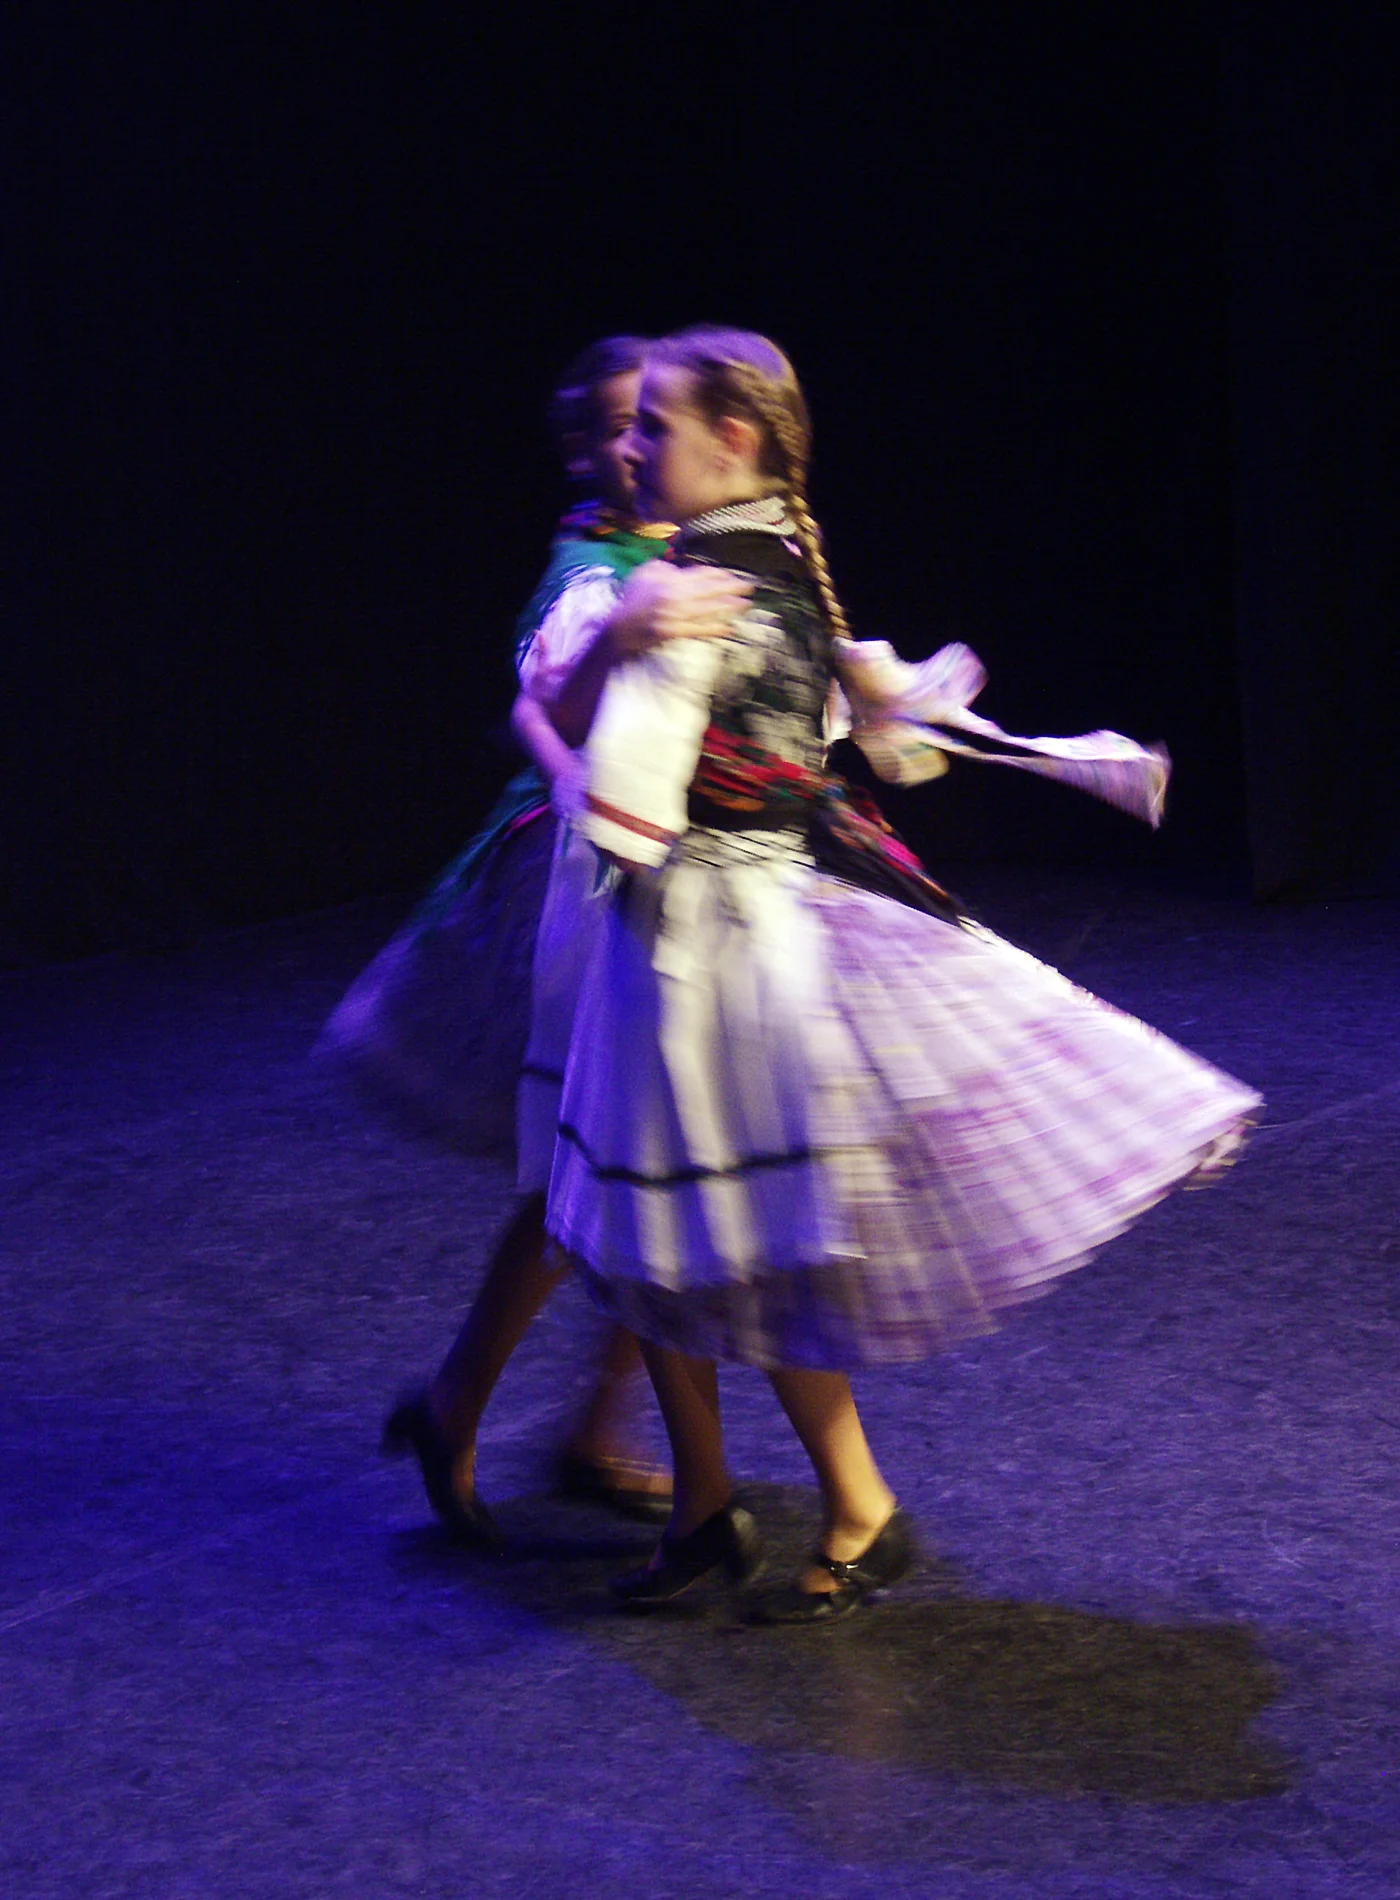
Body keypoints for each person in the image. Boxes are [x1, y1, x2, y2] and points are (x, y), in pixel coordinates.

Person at [545, 325, 1261, 1620]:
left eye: (655, 424)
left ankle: (848, 1502)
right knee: (656, 1244)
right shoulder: (765, 557)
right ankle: (713, 1505)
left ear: (732, 439)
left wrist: (618, 640)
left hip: (712, 945)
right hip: (692, 930)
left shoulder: (700, 587)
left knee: (714, 1246)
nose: (632, 447)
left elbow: (606, 775)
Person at [320, 335, 750, 1537]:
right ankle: (472, 1406)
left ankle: (568, 1421)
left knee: (642, 1168)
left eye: (656, 420)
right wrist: (572, 749)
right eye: (621, 424)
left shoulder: (696, 546)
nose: (640, 444)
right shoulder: (592, 564)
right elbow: (541, 697)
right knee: (598, 1165)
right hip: (582, 884)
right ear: (581, 450)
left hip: (677, 878)